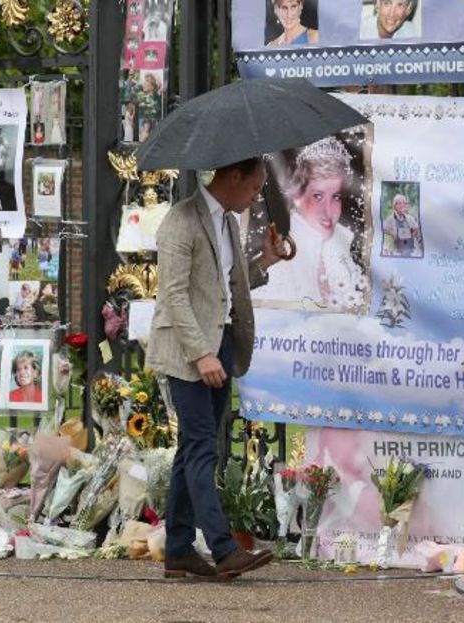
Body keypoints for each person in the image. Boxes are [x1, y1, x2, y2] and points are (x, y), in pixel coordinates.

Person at [146, 156, 286, 580]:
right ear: (233, 176)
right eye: (255, 187)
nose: (257, 196)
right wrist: (201, 353)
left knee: (192, 448)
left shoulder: (227, 221)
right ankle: (224, 548)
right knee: (204, 446)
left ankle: (179, 549)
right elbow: (173, 295)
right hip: (189, 352)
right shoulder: (181, 220)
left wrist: (266, 262)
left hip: (221, 344)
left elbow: (226, 288)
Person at [262, 137, 368, 311]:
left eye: (336, 197)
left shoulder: (346, 259)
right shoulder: (275, 263)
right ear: (297, 196)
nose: (328, 211)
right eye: (318, 196)